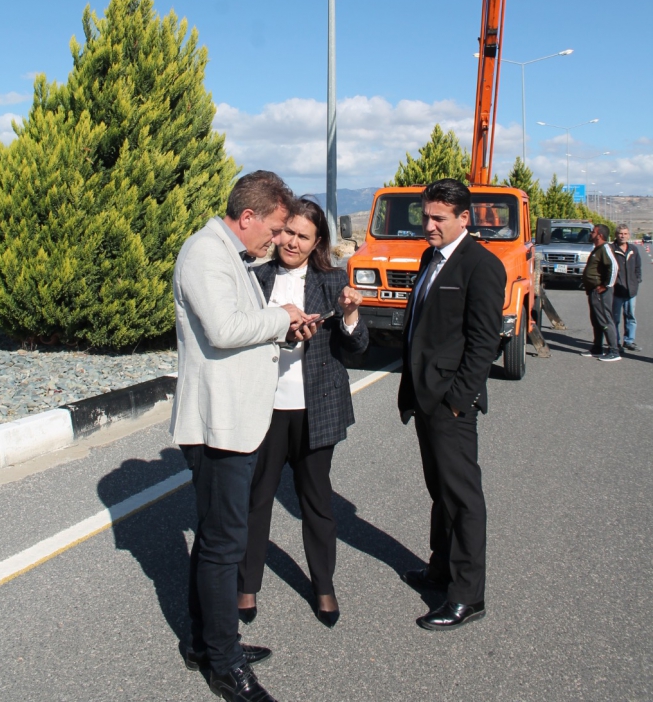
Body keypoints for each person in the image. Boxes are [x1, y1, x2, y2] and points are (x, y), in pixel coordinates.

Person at [171, 171, 319, 702]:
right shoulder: (205, 254)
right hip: (219, 424)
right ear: (249, 216)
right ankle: (225, 664)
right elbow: (225, 330)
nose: (279, 240)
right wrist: (279, 317)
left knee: (216, 539)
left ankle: (206, 643)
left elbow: (241, 324)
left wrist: (284, 324)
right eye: (277, 227)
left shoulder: (231, 255)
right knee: (223, 545)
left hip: (235, 419)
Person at [238, 197, 368, 628]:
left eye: (303, 236)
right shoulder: (255, 279)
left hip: (317, 409)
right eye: (287, 231)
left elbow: (356, 347)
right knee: (258, 500)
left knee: (316, 501)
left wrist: (349, 317)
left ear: (317, 243)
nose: (291, 242)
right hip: (268, 409)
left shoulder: (333, 282)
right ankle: (247, 584)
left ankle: (324, 585)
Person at [398, 178, 506, 630]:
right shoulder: (430, 257)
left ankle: (467, 595)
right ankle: (440, 568)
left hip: (451, 403)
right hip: (425, 397)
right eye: (425, 216)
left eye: (438, 218)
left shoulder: (481, 266)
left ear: (465, 218)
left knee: (462, 498)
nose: (429, 225)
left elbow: (484, 343)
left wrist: (459, 401)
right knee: (439, 492)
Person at [580, 223, 620, 362]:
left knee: (604, 320)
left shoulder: (605, 248)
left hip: (601, 292)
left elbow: (614, 266)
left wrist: (606, 285)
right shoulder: (596, 249)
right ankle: (597, 348)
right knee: (596, 320)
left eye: (593, 232)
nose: (591, 234)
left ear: (600, 235)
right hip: (593, 291)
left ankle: (614, 351)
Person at [612, 224, 642, 351]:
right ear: (616, 235)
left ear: (628, 235)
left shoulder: (633, 249)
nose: (622, 236)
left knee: (630, 316)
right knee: (615, 318)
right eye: (620, 233)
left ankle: (629, 341)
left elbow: (637, 267)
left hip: (631, 290)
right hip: (617, 290)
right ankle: (616, 343)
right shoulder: (611, 249)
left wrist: (637, 280)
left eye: (625, 233)